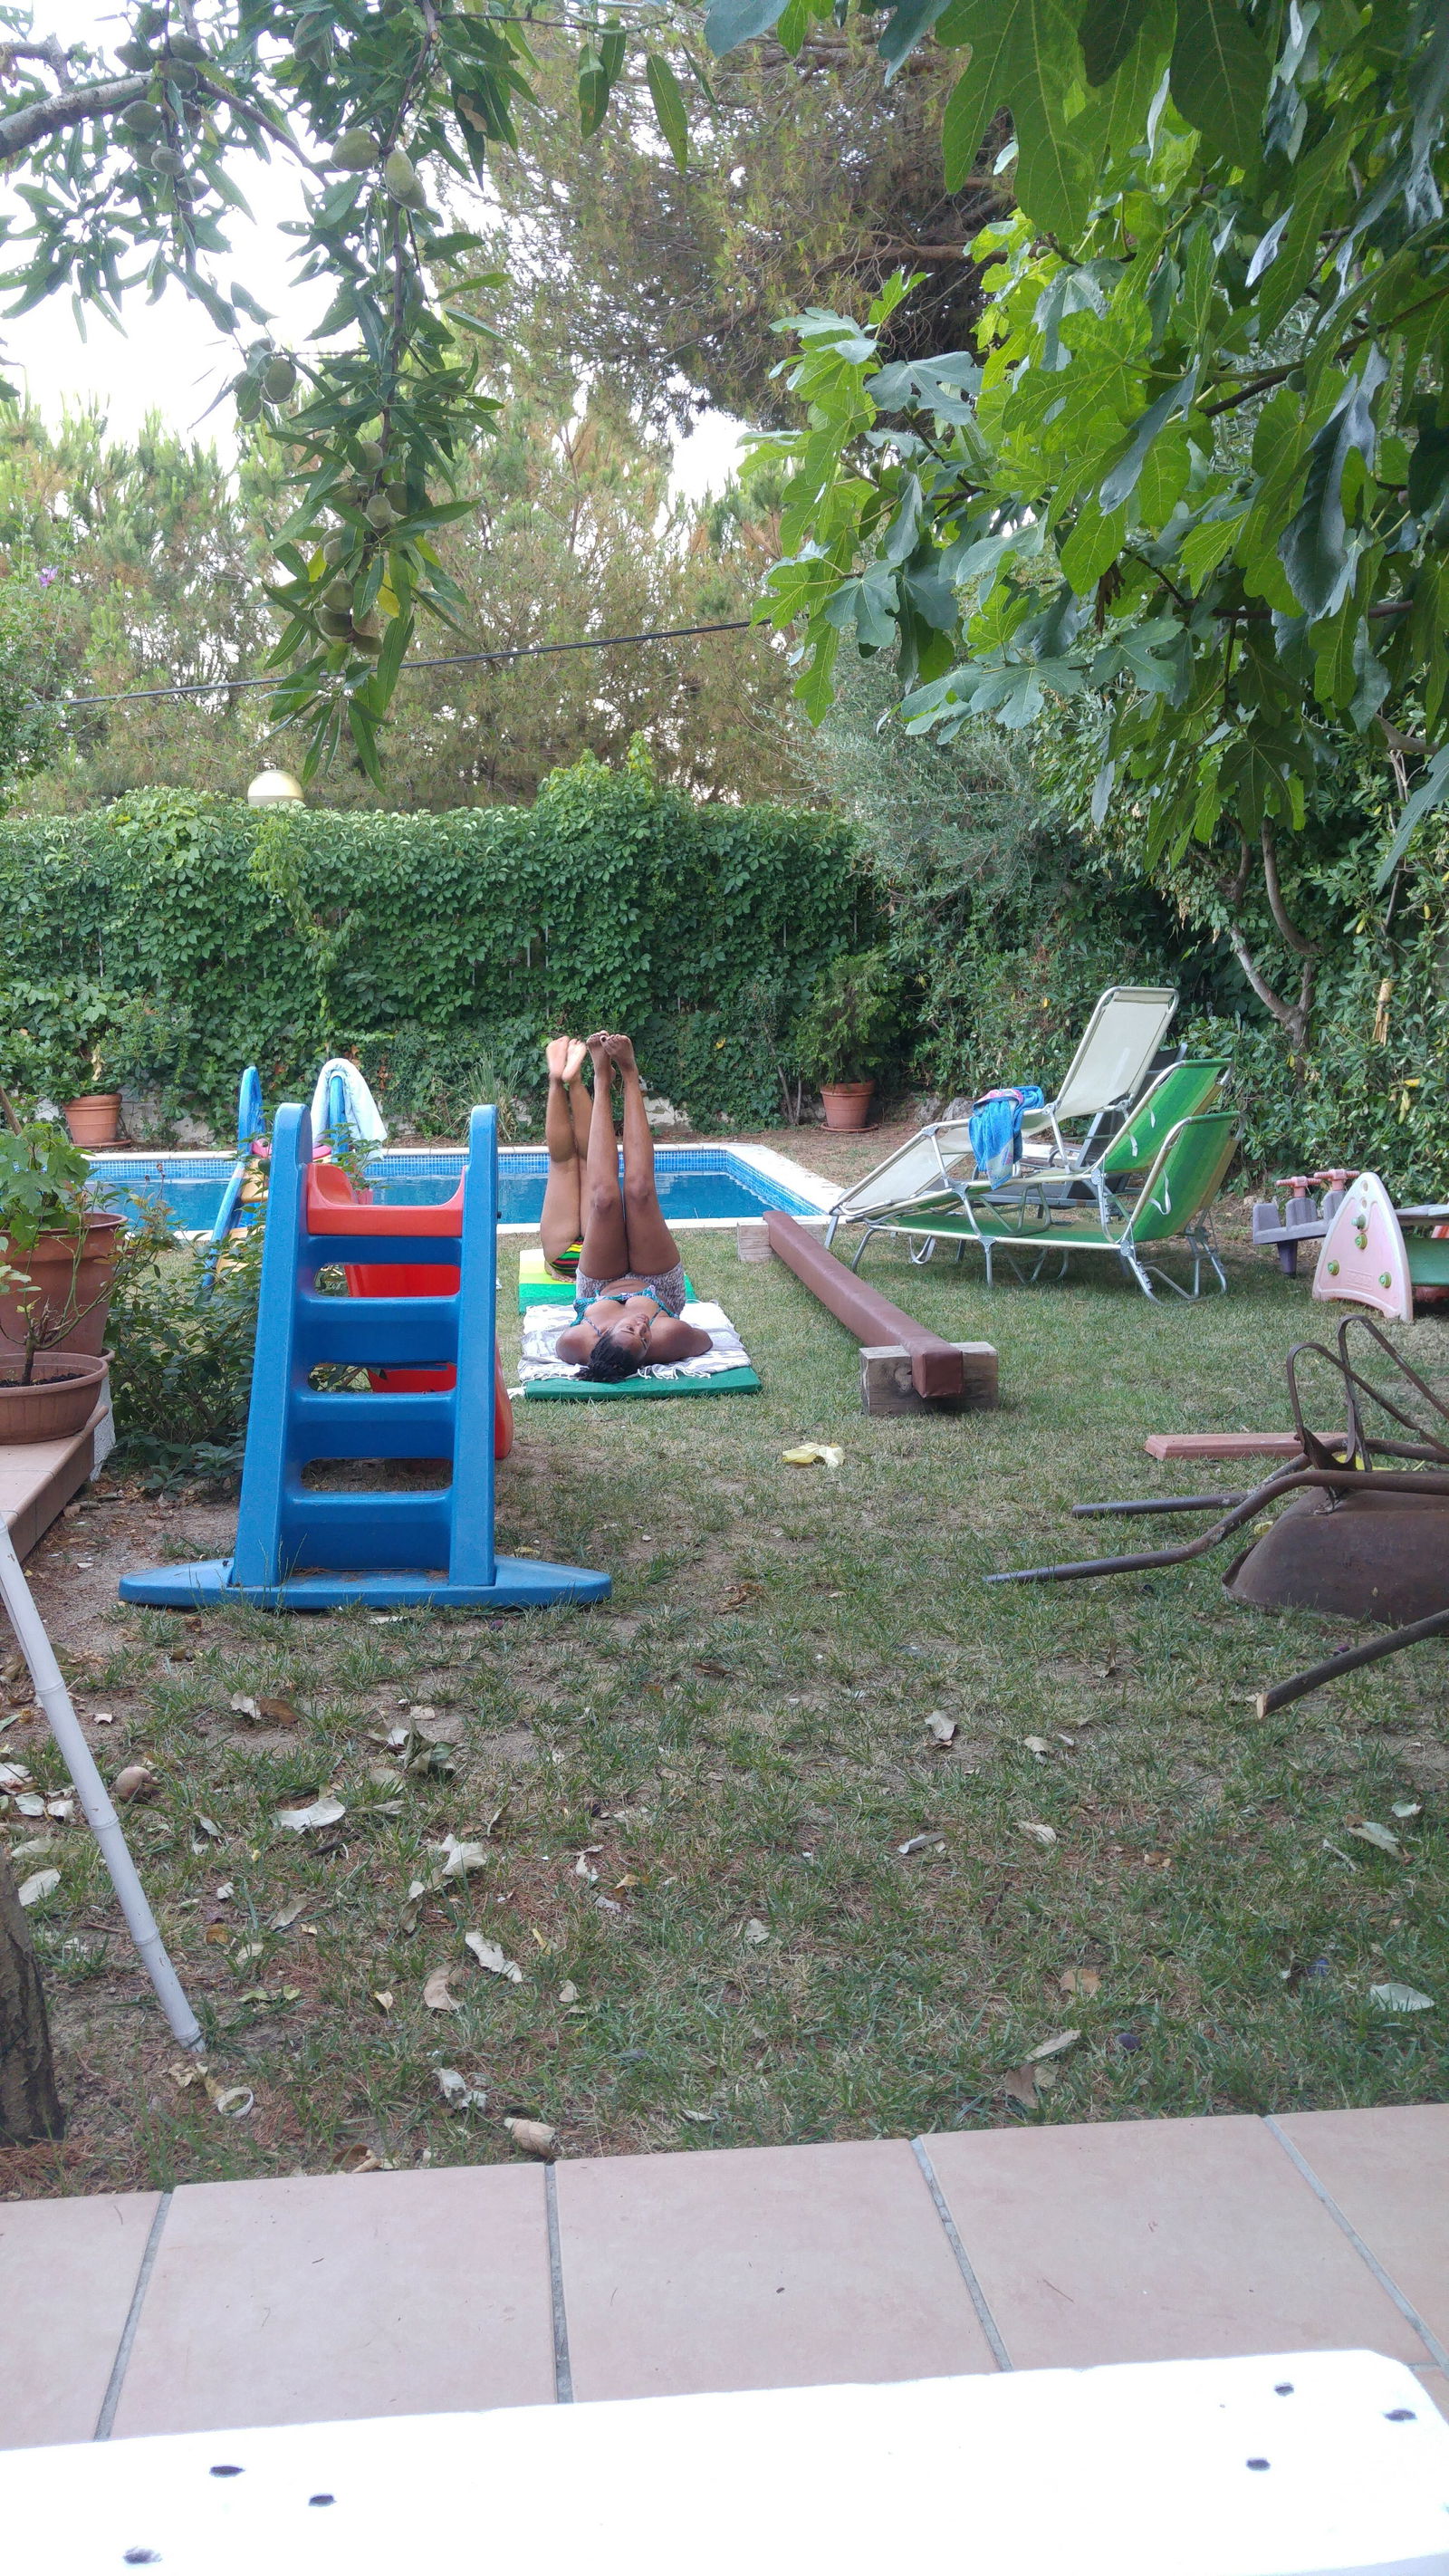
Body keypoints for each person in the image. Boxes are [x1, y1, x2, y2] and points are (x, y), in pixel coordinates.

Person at [540, 1032, 713, 1383]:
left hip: (599, 1284)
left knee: (603, 1198)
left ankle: (602, 1078)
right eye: (645, 1337)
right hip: (657, 1282)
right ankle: (630, 1073)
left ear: (600, 1336)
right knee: (638, 1192)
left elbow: (562, 1353)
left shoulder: (577, 1341)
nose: (642, 1327)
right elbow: (704, 1341)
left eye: (631, 1331)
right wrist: (657, 1347)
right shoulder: (666, 1338)